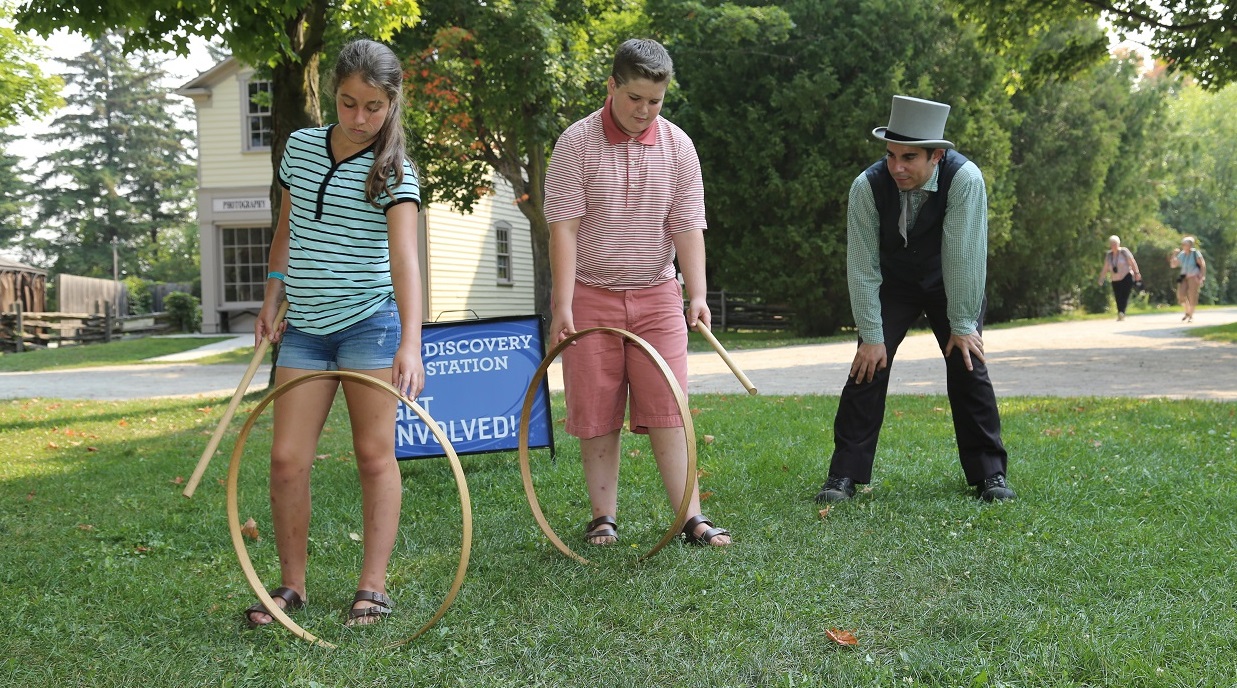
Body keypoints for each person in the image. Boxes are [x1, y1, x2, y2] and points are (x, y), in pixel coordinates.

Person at [244, 39, 425, 628]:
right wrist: (272, 299)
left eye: (373, 107)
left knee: (374, 455)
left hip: (370, 324)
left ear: (392, 103)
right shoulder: (299, 148)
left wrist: (410, 341)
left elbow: (405, 259)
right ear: (334, 94)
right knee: (286, 460)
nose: (358, 119)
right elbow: (286, 233)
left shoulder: (394, 168)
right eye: (348, 104)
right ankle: (291, 587)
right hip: (305, 327)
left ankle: (372, 587)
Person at [543, 38, 731, 547]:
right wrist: (563, 304)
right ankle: (603, 517)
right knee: (597, 411)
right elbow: (564, 226)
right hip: (590, 293)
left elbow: (688, 224)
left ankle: (691, 517)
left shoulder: (678, 146)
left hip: (657, 294)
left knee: (670, 408)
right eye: (634, 99)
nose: (644, 111)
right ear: (612, 86)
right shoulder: (575, 143)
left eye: (655, 101)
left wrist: (696, 293)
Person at [815, 95, 1014, 504]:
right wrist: (872, 335)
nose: (896, 167)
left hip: (951, 281)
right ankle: (844, 476)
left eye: (909, 158)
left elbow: (963, 255)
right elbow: (863, 265)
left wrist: (962, 326)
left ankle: (989, 475)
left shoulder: (965, 180)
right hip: (894, 283)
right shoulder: (866, 187)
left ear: (937, 156)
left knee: (967, 363)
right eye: (890, 155)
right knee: (868, 366)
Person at [1096, 235, 1141, 320]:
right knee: (1118, 296)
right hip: (1115, 278)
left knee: (1124, 295)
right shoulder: (1109, 255)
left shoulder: (1124, 252)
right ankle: (1120, 312)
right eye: (1112, 244)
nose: (1114, 245)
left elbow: (1132, 262)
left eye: (1115, 243)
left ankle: (1122, 312)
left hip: (1126, 276)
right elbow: (1105, 267)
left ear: (1118, 243)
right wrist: (1101, 278)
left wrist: (1137, 273)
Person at [1169, 237, 1206, 323]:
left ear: (1190, 245)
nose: (1184, 246)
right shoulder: (1182, 254)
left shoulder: (1195, 253)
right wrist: (1174, 255)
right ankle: (1187, 312)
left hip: (1194, 276)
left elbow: (1203, 265)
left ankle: (1191, 315)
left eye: (1186, 244)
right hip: (1183, 275)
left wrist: (1203, 276)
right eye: (1183, 244)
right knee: (1180, 295)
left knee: (1192, 295)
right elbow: (1173, 265)